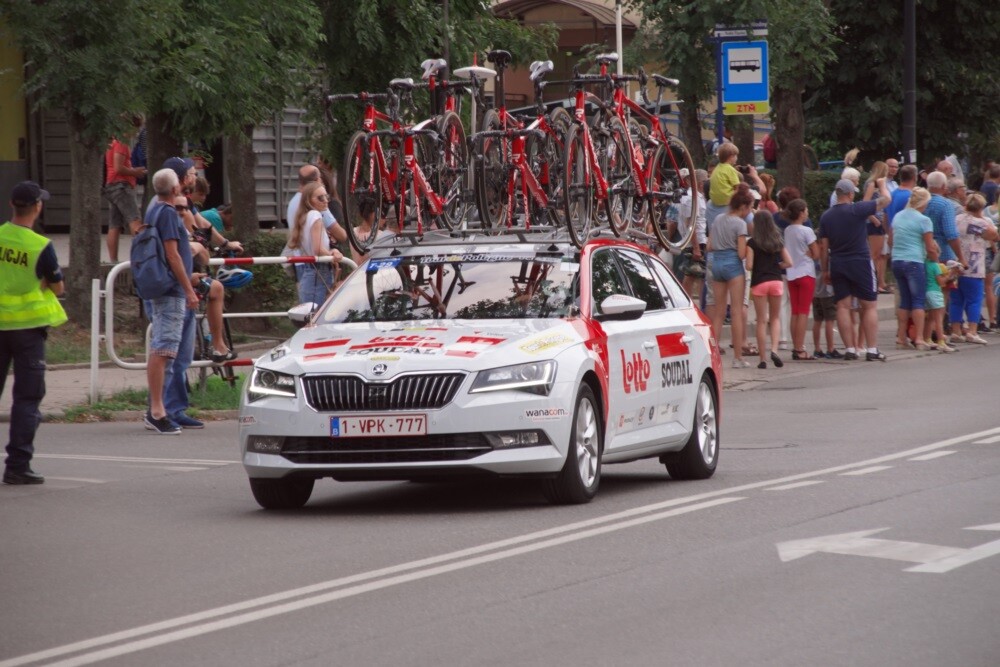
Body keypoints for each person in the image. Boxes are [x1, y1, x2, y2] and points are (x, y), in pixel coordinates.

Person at [0, 182, 67, 484]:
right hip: (27, 332)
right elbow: (58, 286)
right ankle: (17, 466)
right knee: (27, 398)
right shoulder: (40, 245)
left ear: (13, 206)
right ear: (37, 207)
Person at [143, 168, 199, 434]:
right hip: (171, 291)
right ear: (175, 188)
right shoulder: (167, 214)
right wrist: (188, 288)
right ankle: (156, 410)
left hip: (166, 289)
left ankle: (161, 409)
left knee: (166, 350)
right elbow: (173, 255)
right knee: (163, 349)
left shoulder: (155, 209)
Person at [818, 177, 891, 361]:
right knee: (869, 305)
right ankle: (872, 349)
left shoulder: (826, 216)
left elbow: (823, 247)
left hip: (838, 262)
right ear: (850, 194)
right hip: (860, 261)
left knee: (842, 306)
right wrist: (882, 185)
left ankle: (850, 348)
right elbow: (886, 200)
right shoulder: (857, 209)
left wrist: (825, 270)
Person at [707, 184, 753, 368]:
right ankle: (738, 357)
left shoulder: (718, 218)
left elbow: (709, 245)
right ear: (743, 207)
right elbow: (741, 253)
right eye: (749, 207)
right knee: (735, 312)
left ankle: (712, 355)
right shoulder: (740, 223)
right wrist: (750, 248)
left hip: (716, 262)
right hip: (733, 264)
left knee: (718, 313)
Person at [949, 193, 999, 344]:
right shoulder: (980, 223)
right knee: (974, 300)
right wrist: (984, 218)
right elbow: (994, 236)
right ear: (981, 207)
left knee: (956, 300)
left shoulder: (956, 219)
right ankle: (972, 330)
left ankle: (956, 330)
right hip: (974, 265)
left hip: (956, 264)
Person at [889, 187, 935, 350]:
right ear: (923, 203)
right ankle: (919, 338)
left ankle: (901, 337)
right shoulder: (924, 220)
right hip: (914, 261)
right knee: (918, 301)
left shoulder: (898, 216)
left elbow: (891, 240)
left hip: (897, 260)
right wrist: (935, 259)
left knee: (905, 301)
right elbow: (930, 247)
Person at [746, 211, 792, 368]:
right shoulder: (777, 241)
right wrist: (777, 266)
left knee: (761, 320)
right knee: (775, 318)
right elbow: (789, 262)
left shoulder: (752, 243)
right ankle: (774, 350)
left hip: (759, 282)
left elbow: (749, 265)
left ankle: (762, 359)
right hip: (776, 280)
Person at [288, 181, 345, 307]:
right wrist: (332, 253)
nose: (325, 200)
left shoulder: (305, 216)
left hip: (311, 273)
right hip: (318, 273)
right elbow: (318, 249)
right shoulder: (316, 216)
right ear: (309, 200)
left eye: (326, 196)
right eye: (320, 198)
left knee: (311, 318)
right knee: (316, 318)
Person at [103, 114, 147, 263]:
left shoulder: (113, 141)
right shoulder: (122, 142)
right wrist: (136, 172)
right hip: (122, 186)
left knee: (114, 224)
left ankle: (113, 261)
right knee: (135, 220)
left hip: (111, 185)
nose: (136, 132)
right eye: (135, 128)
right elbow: (118, 167)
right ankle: (143, 258)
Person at [782, 199, 820, 359]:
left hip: (791, 272)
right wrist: (811, 254)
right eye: (805, 210)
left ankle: (795, 346)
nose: (807, 213)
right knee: (804, 311)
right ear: (801, 213)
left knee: (795, 311)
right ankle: (800, 348)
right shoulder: (807, 231)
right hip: (805, 272)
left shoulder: (788, 230)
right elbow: (816, 253)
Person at [925, 171, 965, 265]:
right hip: (943, 254)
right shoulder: (945, 204)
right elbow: (951, 234)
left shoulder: (920, 201)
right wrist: (961, 257)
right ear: (943, 186)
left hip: (922, 252)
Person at [862, 161, 891, 293]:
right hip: (874, 223)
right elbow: (865, 203)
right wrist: (872, 218)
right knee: (874, 254)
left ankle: (878, 282)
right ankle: (872, 282)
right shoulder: (872, 184)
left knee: (879, 254)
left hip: (879, 221)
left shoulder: (876, 184)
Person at [924, 242, 957, 353]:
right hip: (935, 292)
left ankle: (927, 338)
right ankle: (941, 342)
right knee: (938, 319)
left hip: (927, 292)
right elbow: (941, 282)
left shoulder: (925, 264)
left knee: (930, 318)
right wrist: (950, 274)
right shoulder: (935, 266)